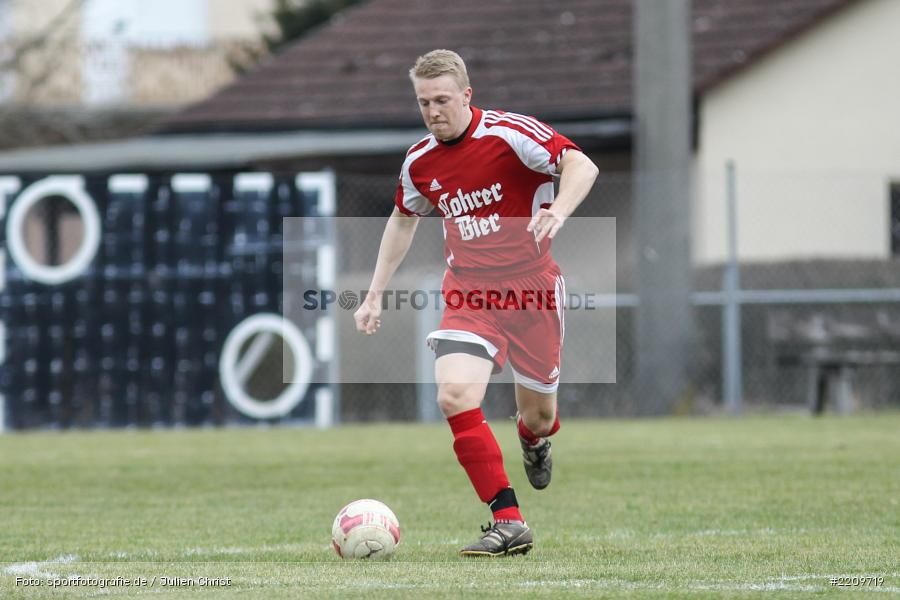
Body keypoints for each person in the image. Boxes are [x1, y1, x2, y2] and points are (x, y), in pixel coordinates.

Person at [353, 49, 599, 557]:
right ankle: (508, 521)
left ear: (467, 95)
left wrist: (559, 209)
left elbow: (581, 164)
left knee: (537, 415)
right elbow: (403, 219)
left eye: (442, 99)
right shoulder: (419, 162)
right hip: (469, 292)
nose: (433, 111)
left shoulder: (510, 134)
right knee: (454, 396)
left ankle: (534, 440)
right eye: (424, 102)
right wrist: (374, 293)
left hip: (532, 291)